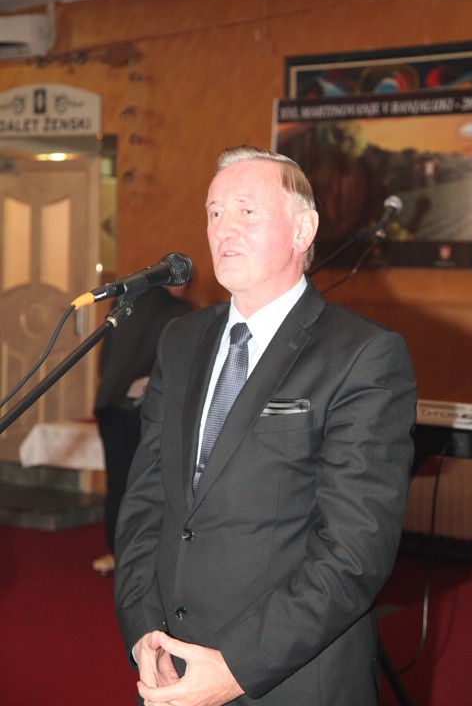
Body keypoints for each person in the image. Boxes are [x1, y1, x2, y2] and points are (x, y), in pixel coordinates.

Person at [114, 145, 417, 705]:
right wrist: (143, 634)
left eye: (246, 210)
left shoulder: (363, 355)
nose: (223, 227)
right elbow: (145, 504)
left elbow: (355, 550)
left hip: (289, 676)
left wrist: (237, 668)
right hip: (169, 666)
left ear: (304, 230)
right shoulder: (180, 341)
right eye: (213, 212)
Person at [93, 284, 192, 573]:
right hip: (144, 409)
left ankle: (116, 553)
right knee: (147, 485)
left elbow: (103, 361)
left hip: (108, 402)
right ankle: (142, 557)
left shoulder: (125, 303)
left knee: (117, 484)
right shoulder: (181, 313)